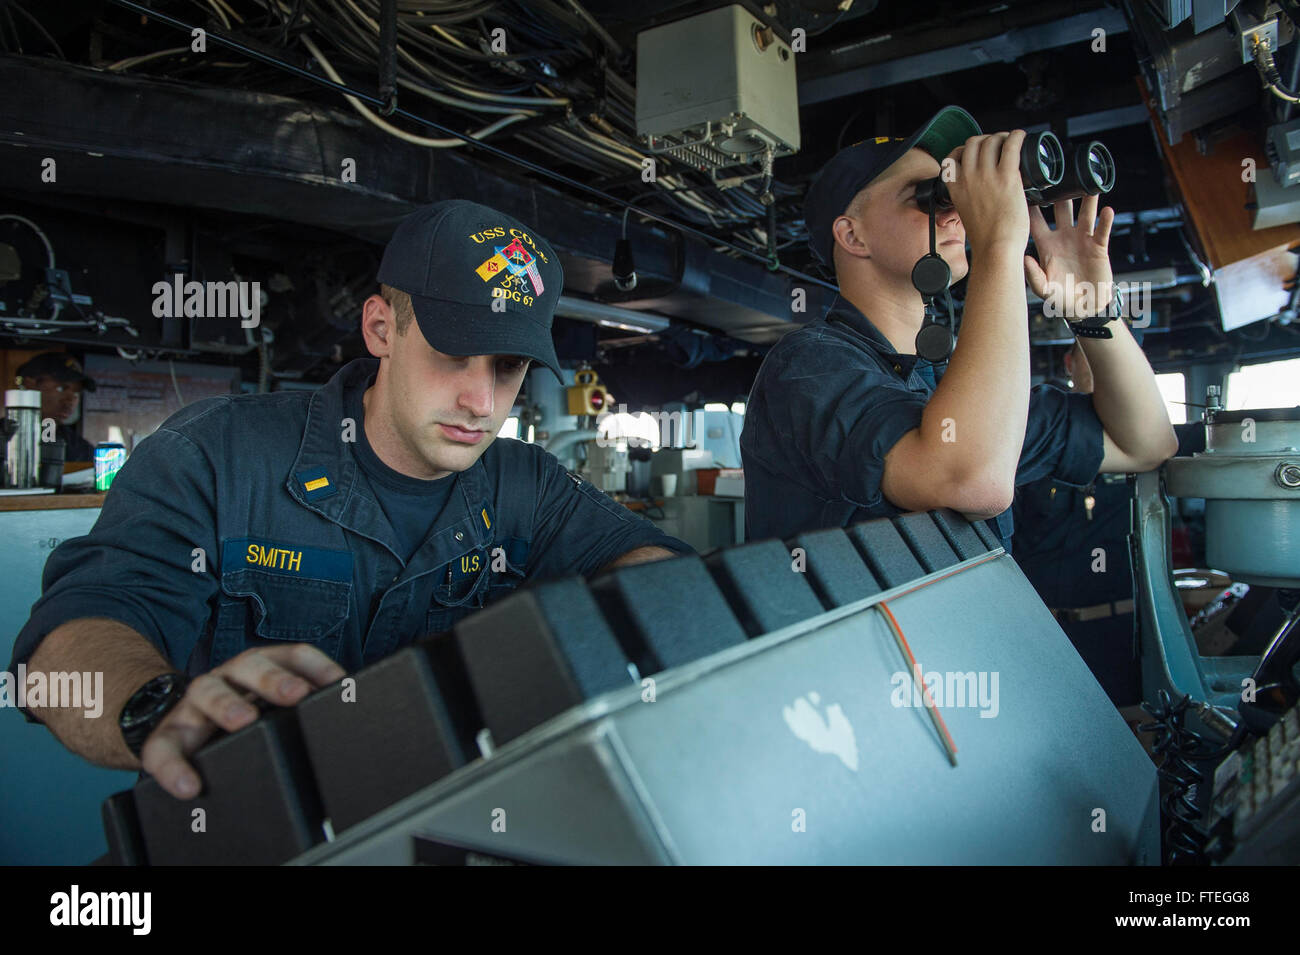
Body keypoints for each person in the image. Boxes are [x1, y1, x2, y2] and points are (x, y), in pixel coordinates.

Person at [11, 199, 691, 800]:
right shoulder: (218, 455)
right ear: (380, 328)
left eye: (507, 367)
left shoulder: (528, 486)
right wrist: (156, 711)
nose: (483, 402)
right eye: (455, 352)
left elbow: (661, 568)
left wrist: (602, 643)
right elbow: (75, 634)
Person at [740, 106, 1178, 549]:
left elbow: (1146, 444)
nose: (956, 215)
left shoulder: (956, 385)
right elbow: (973, 482)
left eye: (954, 196)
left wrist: (1092, 311)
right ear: (854, 237)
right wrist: (998, 245)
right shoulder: (806, 368)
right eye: (929, 196)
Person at [1012, 340, 1205, 707]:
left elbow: (1223, 440)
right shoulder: (1028, 434)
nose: (1107, 368)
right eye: (1093, 356)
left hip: (1122, 637)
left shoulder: (1163, 441)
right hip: (1040, 634)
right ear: (1069, 363)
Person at [14, 351, 97, 462]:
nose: (70, 399)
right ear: (29, 385)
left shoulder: (78, 447)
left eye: (77, 393)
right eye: (61, 388)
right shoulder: (6, 436)